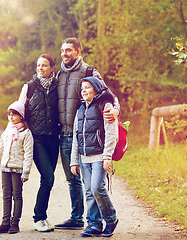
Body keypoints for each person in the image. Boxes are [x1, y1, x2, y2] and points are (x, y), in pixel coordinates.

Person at [55, 37, 120, 230]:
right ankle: (77, 218)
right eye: (62, 50)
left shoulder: (89, 72)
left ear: (77, 51)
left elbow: (109, 95)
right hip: (68, 136)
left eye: (68, 50)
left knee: (94, 186)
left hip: (91, 138)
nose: (64, 54)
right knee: (72, 180)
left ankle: (95, 222)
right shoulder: (59, 74)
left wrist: (115, 110)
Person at [70, 76, 119, 237]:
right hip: (84, 157)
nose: (84, 90)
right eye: (82, 88)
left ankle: (111, 219)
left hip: (99, 156)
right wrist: (74, 161)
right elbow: (76, 136)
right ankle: (94, 224)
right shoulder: (80, 109)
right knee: (90, 191)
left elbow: (112, 133)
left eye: (88, 87)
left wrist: (107, 156)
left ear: (96, 89)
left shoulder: (105, 105)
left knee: (98, 187)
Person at [18, 54, 60, 232]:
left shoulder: (59, 86)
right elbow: (18, 111)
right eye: (38, 65)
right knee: (49, 177)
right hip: (37, 140)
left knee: (47, 180)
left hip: (54, 139)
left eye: (44, 65)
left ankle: (42, 216)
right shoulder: (29, 87)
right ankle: (39, 218)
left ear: (52, 68)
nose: (40, 68)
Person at [0, 101, 33, 235]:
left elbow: (29, 154)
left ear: (21, 116)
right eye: (9, 115)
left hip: (18, 170)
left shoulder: (26, 133)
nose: (11, 117)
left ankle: (15, 223)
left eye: (14, 115)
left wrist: (26, 172)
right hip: (5, 168)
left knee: (17, 195)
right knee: (6, 196)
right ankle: (5, 223)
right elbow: (1, 150)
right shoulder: (7, 132)